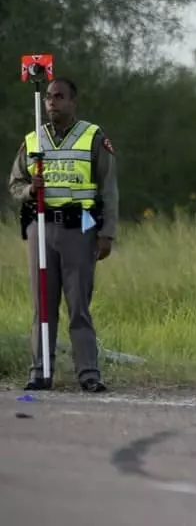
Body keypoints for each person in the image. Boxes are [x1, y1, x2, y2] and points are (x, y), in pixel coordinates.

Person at [6, 76, 118, 393]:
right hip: (41, 225)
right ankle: (40, 371)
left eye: (59, 97)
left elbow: (108, 188)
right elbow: (14, 184)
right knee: (43, 303)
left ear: (73, 102)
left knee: (78, 303)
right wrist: (31, 189)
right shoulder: (33, 141)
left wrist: (106, 233)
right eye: (49, 97)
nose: (52, 102)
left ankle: (88, 373)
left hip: (80, 224)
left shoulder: (93, 136)